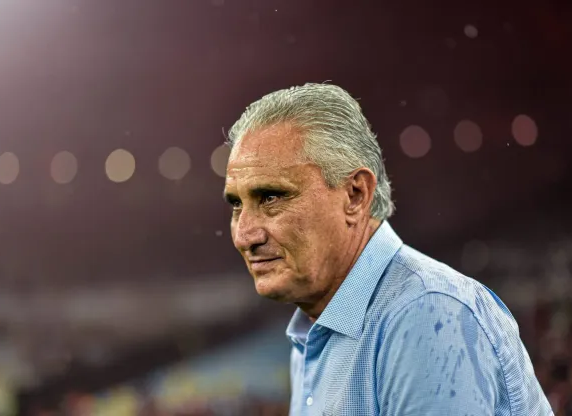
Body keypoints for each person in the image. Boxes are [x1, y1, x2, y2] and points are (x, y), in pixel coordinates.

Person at [222, 83, 552, 415]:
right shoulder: (315, 333)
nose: (244, 236)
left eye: (271, 197)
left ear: (355, 195)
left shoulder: (427, 314)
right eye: (236, 204)